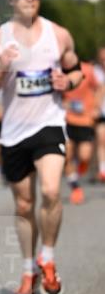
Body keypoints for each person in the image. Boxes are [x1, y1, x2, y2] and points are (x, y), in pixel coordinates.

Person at [0, 0, 82, 294]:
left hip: (49, 123)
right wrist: (2, 68)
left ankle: (47, 260)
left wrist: (71, 81)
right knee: (24, 204)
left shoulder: (59, 34)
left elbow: (75, 68)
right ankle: (28, 269)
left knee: (51, 191)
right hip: (14, 133)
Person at [63, 60, 99, 204]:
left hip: (85, 119)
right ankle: (75, 188)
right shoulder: (60, 69)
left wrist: (95, 107)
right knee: (67, 154)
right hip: (66, 119)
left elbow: (99, 88)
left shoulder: (88, 69)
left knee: (85, 155)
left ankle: (78, 170)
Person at [93, 46, 105, 182]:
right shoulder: (95, 72)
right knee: (102, 139)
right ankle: (102, 170)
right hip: (100, 112)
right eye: (102, 59)